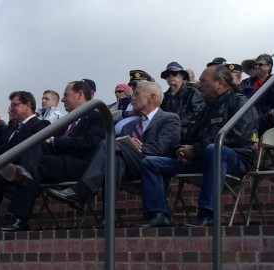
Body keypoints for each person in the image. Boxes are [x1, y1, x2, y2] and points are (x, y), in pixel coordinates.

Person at [139, 63, 257, 228]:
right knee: (150, 163)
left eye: (203, 81)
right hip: (202, 158)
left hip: (235, 158)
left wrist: (196, 149)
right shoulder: (205, 107)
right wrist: (180, 151)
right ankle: (158, 215)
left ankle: (207, 214)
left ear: (221, 83)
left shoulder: (241, 103)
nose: (199, 84)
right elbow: (188, 136)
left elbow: (236, 137)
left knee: (213, 149)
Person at [49, 80, 180, 213]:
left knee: (109, 144)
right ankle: (107, 219)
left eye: (137, 94)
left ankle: (81, 192)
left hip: (152, 165)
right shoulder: (129, 126)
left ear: (152, 97)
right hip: (130, 168)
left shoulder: (169, 119)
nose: (132, 98)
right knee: (115, 162)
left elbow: (158, 149)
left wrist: (127, 146)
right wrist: (126, 144)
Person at [0, 91, 48, 233]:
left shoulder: (40, 124)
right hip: (7, 168)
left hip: (30, 168)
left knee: (10, 174)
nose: (10, 109)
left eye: (14, 105)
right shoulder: (12, 128)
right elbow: (1, 148)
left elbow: (26, 147)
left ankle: (16, 220)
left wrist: (2, 153)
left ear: (28, 105)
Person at [159, 62, 204, 137]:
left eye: (174, 74)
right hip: (166, 132)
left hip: (187, 133)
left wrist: (175, 125)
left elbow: (197, 113)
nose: (170, 76)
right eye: (167, 75)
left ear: (182, 76)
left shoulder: (192, 92)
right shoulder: (162, 97)